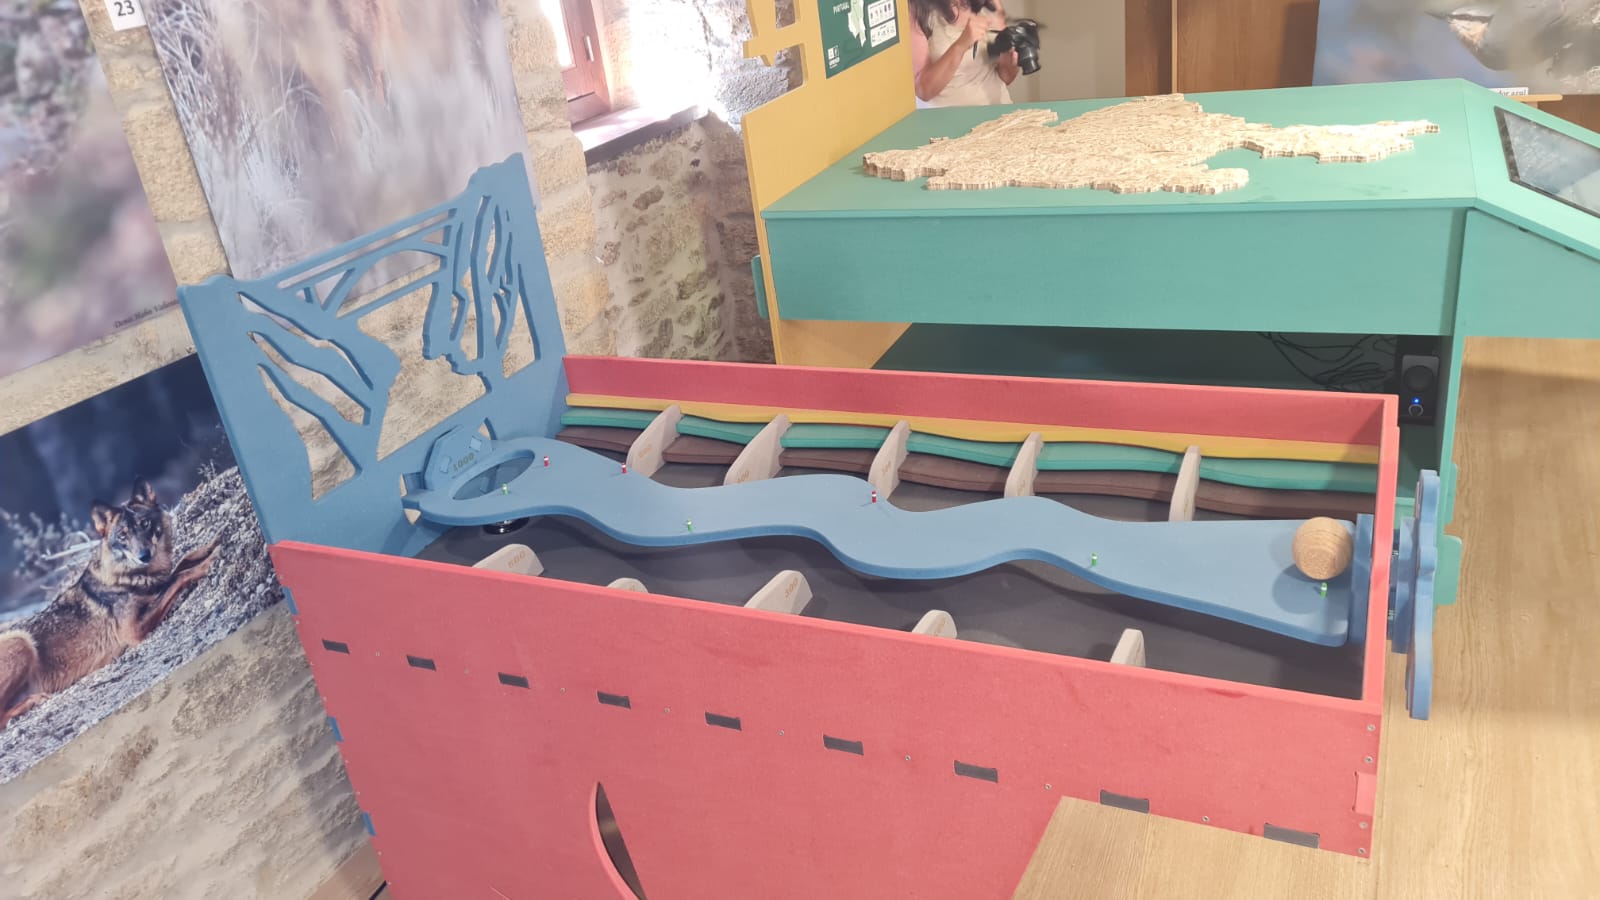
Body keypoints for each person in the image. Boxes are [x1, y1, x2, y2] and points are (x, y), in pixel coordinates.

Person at [909, 0, 1021, 107]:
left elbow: (1005, 78)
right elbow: (924, 91)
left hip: (999, 111)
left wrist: (1010, 64)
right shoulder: (917, 9)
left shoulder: (992, 3)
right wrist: (961, 45)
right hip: (949, 117)